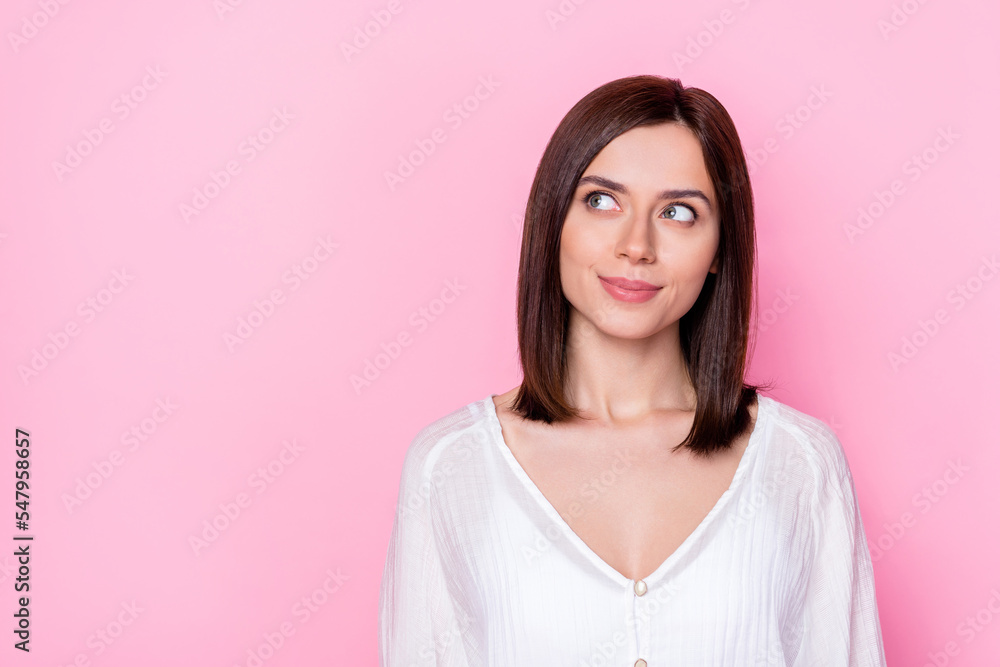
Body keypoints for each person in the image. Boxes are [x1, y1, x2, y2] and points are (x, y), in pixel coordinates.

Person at [378, 74, 887, 666]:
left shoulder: (801, 464)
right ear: (553, 221)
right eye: (601, 201)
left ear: (722, 247)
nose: (636, 245)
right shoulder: (451, 467)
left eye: (677, 212)